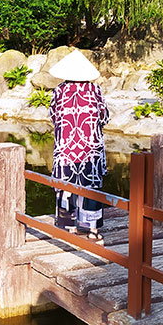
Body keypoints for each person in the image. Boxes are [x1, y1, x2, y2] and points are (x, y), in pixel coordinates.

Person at [48, 50, 110, 243]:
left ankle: (69, 227)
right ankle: (92, 230)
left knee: (67, 187)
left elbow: (53, 117)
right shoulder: (95, 91)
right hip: (91, 150)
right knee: (90, 187)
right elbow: (105, 117)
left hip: (66, 150)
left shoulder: (59, 91)